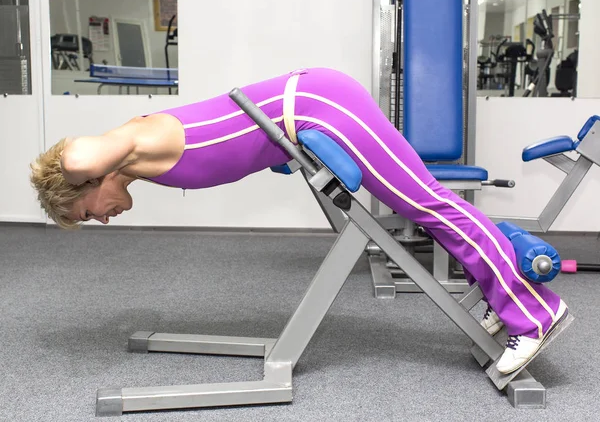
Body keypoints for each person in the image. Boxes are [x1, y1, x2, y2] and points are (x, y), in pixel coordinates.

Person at [30, 67, 568, 374]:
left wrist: (56, 174)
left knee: (428, 204)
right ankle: (507, 303)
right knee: (425, 208)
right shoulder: (137, 162)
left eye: (86, 212)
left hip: (319, 103)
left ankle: (534, 313)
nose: (100, 220)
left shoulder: (112, 148)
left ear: (81, 183)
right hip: (311, 111)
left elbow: (73, 156)